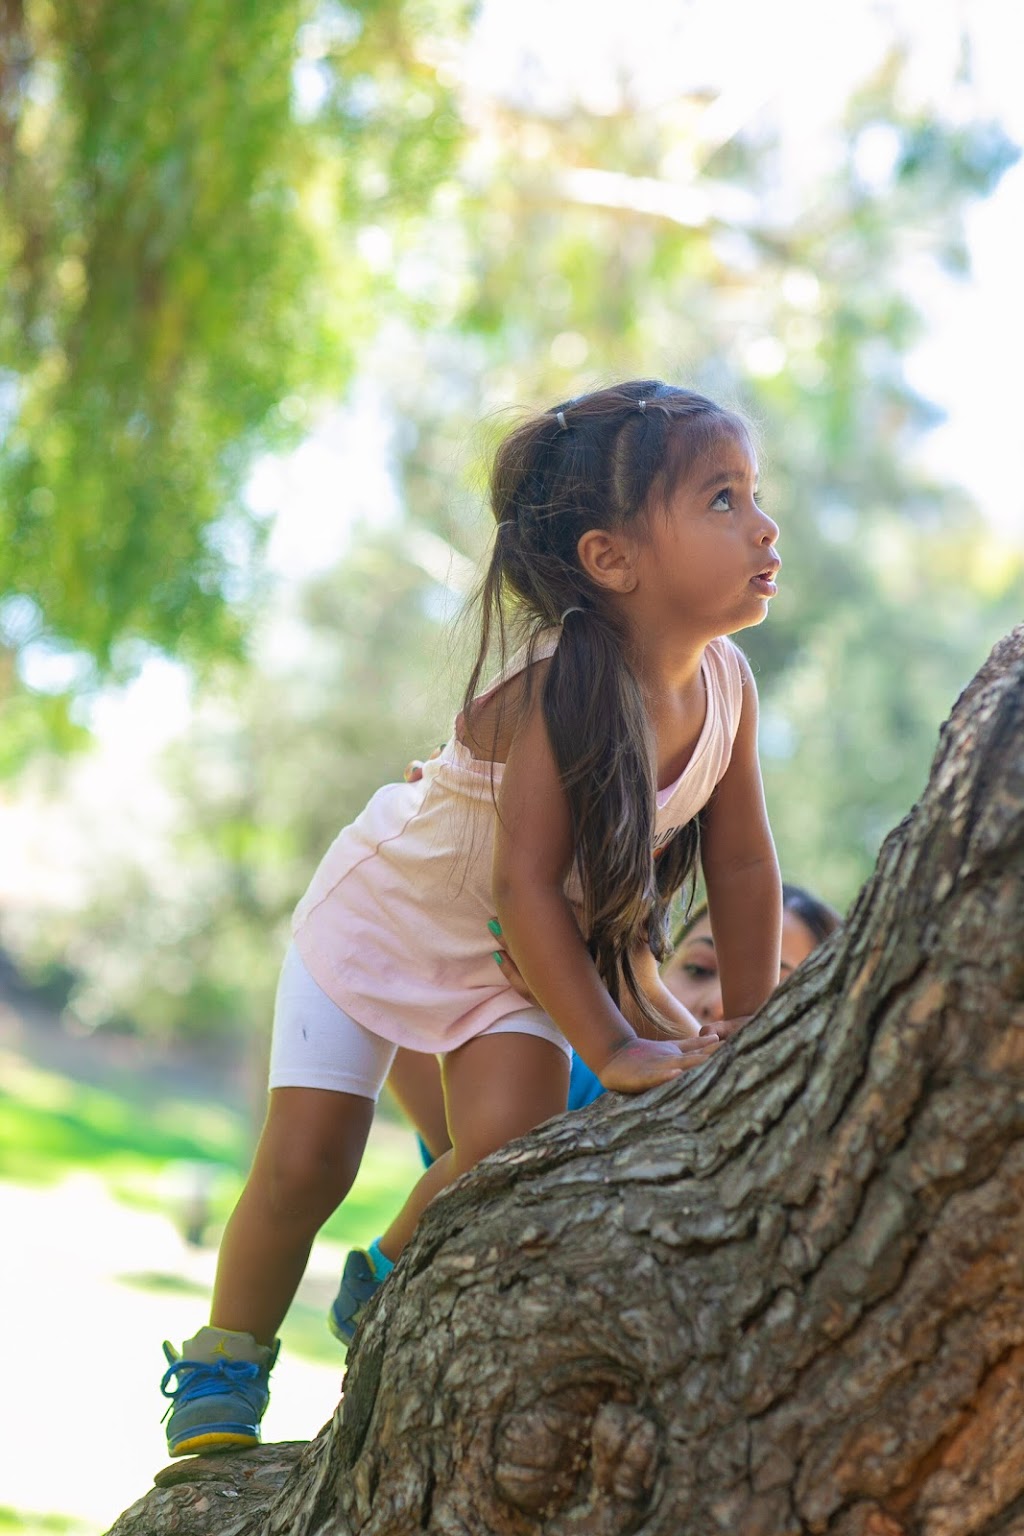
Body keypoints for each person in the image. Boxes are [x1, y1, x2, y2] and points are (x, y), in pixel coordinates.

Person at [159, 379, 783, 1456]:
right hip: (387, 919)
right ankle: (224, 1364)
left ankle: (384, 1274)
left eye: (753, 494)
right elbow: (524, 888)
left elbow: (738, 858)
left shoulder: (726, 685)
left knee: (508, 1141)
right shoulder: (561, 691)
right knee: (311, 1156)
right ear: (612, 559)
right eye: (721, 500)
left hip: (505, 963)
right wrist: (619, 1046)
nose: (764, 525)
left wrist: (760, 1021)